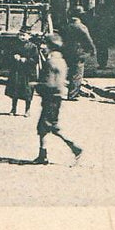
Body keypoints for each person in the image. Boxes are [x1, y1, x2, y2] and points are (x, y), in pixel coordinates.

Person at [34, 33, 83, 165]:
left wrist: (37, 85)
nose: (43, 47)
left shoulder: (51, 62)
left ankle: (75, 148)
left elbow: (50, 83)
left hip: (51, 98)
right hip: (56, 98)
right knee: (43, 127)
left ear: (51, 46)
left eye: (45, 44)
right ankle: (42, 155)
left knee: (52, 126)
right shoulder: (61, 60)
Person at [62, 6, 96, 100]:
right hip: (78, 52)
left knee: (71, 72)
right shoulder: (81, 27)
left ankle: (72, 91)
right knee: (77, 73)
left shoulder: (67, 26)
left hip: (68, 51)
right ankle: (73, 94)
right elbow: (88, 39)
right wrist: (93, 49)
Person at [5, 25, 38, 116]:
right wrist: (14, 56)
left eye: (24, 35)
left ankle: (27, 110)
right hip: (17, 71)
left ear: (29, 36)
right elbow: (8, 55)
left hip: (27, 72)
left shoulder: (33, 47)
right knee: (15, 90)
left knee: (27, 91)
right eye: (20, 35)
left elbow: (35, 59)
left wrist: (26, 60)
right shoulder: (15, 45)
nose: (22, 37)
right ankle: (13, 109)